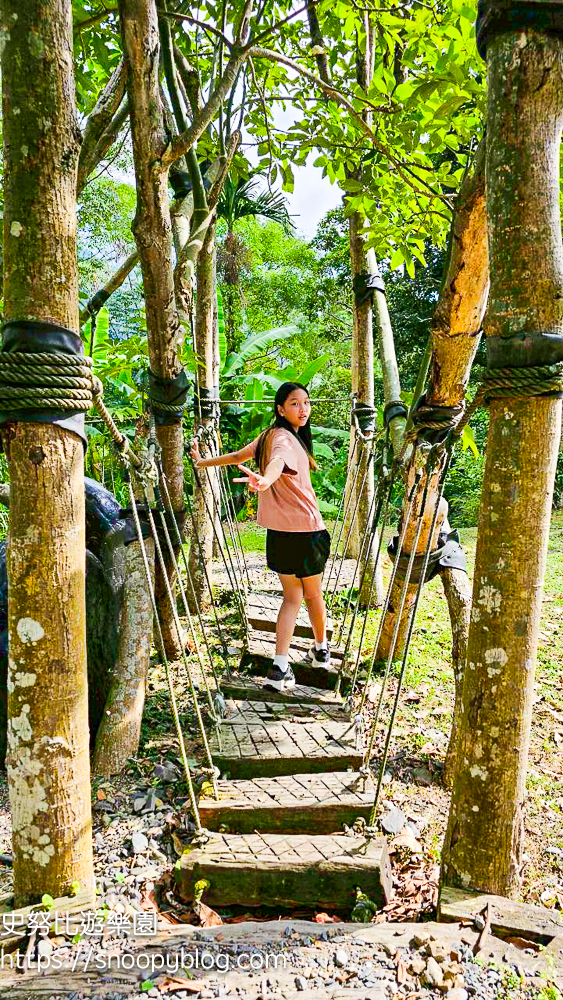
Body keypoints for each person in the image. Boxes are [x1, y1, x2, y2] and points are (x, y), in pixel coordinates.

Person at [190, 382, 331, 692]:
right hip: (307, 532)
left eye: (306, 402)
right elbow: (277, 462)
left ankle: (280, 668)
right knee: (312, 596)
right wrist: (266, 479)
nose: (303, 409)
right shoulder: (283, 439)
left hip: (280, 535)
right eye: (295, 403)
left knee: (292, 598)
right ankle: (321, 649)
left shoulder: (269, 435)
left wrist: (202, 463)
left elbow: (237, 456)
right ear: (281, 409)